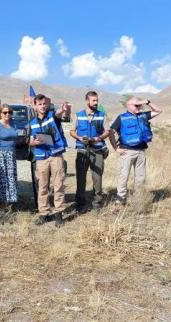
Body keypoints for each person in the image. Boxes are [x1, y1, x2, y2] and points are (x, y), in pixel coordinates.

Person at [109, 97, 162, 205]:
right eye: (136, 105)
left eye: (139, 105)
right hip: (127, 151)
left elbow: (158, 110)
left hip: (141, 151)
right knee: (124, 176)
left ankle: (138, 199)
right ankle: (120, 199)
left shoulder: (143, 116)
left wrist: (147, 102)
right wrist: (116, 148)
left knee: (140, 177)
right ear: (128, 106)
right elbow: (111, 132)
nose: (139, 107)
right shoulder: (121, 118)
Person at [29, 94, 71, 226]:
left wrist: (63, 109)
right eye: (39, 104)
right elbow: (30, 142)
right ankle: (44, 213)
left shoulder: (52, 116)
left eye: (44, 104)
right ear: (35, 106)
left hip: (55, 155)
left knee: (58, 184)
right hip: (41, 157)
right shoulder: (32, 123)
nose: (42, 106)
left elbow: (59, 113)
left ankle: (59, 213)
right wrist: (35, 142)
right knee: (42, 186)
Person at [70, 91, 110, 211]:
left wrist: (98, 138)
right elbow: (72, 131)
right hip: (82, 151)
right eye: (93, 100)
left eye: (97, 100)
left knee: (97, 178)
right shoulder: (78, 115)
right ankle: (80, 203)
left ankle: (97, 203)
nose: (96, 103)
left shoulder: (102, 115)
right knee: (81, 178)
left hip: (97, 150)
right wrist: (79, 138)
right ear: (87, 101)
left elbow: (107, 131)